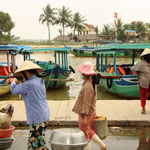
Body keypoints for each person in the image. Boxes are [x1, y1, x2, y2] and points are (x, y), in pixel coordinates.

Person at [6, 60, 50, 150]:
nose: (21, 76)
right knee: (38, 142)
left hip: (37, 118)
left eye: (22, 74)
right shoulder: (40, 81)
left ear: (26, 72)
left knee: (34, 145)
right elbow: (24, 86)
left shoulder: (28, 84)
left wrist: (13, 81)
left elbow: (14, 90)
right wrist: (16, 82)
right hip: (45, 115)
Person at [72, 62, 107, 150]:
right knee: (89, 131)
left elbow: (86, 103)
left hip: (86, 114)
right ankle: (102, 146)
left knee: (85, 134)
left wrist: (83, 117)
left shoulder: (87, 86)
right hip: (91, 112)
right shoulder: (92, 83)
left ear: (84, 74)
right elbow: (93, 99)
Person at [131, 48, 150, 114]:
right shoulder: (141, 63)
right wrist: (139, 77)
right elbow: (133, 69)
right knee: (143, 95)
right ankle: (143, 107)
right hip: (143, 82)